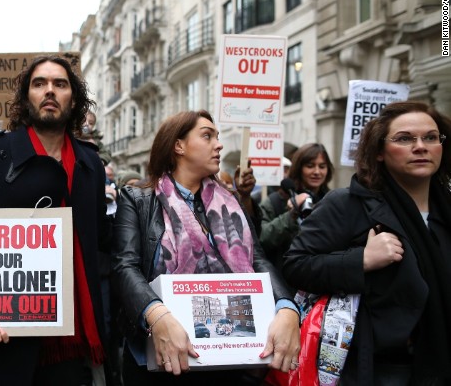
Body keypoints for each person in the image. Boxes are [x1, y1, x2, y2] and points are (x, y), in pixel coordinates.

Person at [111, 110, 300, 385]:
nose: (219, 144)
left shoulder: (230, 202)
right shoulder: (139, 199)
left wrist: (286, 307)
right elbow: (125, 266)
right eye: (207, 136)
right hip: (162, 357)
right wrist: (157, 315)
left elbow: (258, 260)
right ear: (179, 146)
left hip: (228, 358)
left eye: (218, 137)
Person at [0, 55, 110, 385]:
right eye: (39, 84)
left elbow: (101, 243)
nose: (50, 91)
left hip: (72, 340)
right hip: (2, 333)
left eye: (60, 84)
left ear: (75, 97)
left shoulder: (91, 165)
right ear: (27, 96)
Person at [283, 101, 451, 384]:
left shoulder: (445, 209)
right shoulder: (348, 203)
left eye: (431, 137)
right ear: (380, 152)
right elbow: (295, 264)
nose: (420, 146)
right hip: (383, 370)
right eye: (405, 138)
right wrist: (360, 260)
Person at [259, 143, 334, 271]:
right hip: (285, 280)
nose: (317, 172)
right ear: (298, 168)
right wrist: (291, 216)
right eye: (310, 166)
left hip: (322, 277)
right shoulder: (275, 202)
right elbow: (262, 239)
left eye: (322, 166)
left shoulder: (333, 201)